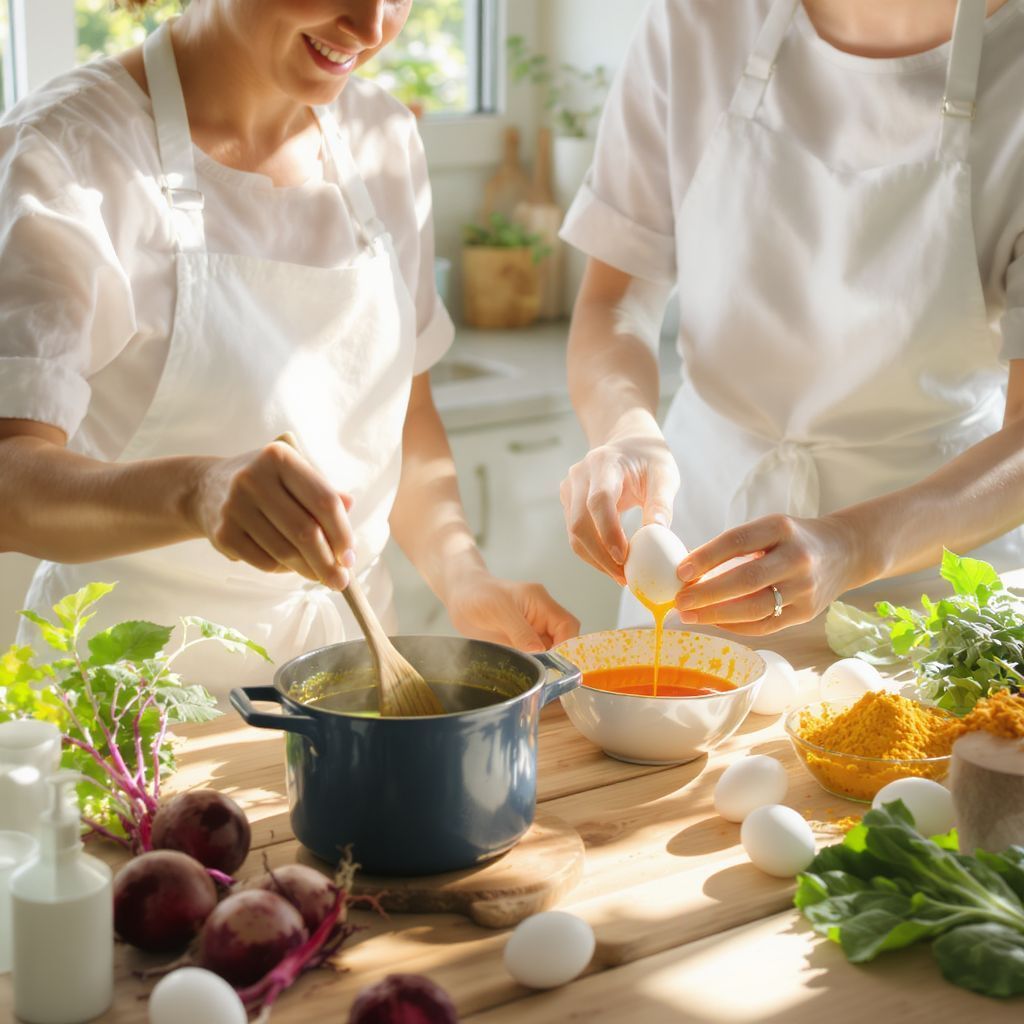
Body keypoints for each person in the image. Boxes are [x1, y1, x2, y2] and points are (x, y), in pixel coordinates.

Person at [0, 0, 578, 692]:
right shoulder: (65, 153)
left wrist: (464, 574)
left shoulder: (382, 138)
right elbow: (11, 483)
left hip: (353, 686)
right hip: (136, 706)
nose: (371, 28)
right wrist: (195, 492)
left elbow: (403, 414)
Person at [559, 0, 1024, 635]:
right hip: (701, 559)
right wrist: (625, 430)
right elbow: (613, 302)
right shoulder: (698, 20)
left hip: (932, 584)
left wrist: (855, 544)